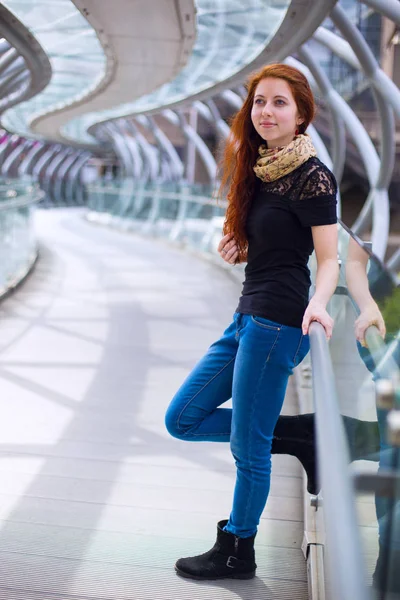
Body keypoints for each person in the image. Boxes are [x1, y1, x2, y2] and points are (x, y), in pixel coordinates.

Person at [165, 63, 339, 581]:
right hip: (245, 317)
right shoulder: (261, 166)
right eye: (259, 101)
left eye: (279, 102)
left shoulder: (313, 176)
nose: (266, 111)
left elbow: (327, 258)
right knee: (184, 418)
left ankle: (238, 551)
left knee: (249, 452)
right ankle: (297, 435)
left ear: (301, 113)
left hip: (279, 321)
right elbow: (272, 242)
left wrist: (322, 303)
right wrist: (241, 243)